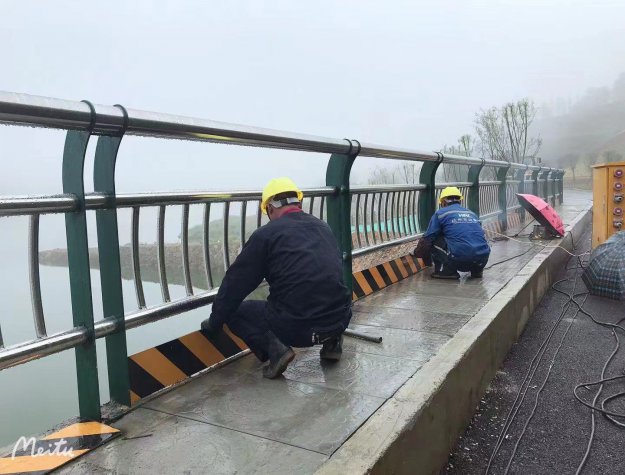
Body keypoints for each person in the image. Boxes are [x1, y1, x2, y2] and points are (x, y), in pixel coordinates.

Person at [201, 177, 352, 379]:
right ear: (298, 203)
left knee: (234, 310)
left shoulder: (266, 235)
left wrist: (214, 323)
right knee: (323, 288)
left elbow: (234, 286)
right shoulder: (323, 227)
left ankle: (277, 350)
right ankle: (332, 342)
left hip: (297, 329)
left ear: (270, 209)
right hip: (340, 319)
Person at [413, 186, 490, 279]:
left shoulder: (440, 214)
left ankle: (448, 272)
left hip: (461, 259)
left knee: (434, 239)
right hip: (482, 259)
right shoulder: (472, 213)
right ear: (460, 201)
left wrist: (417, 253)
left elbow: (428, 239)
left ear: (443, 202)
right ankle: (477, 271)